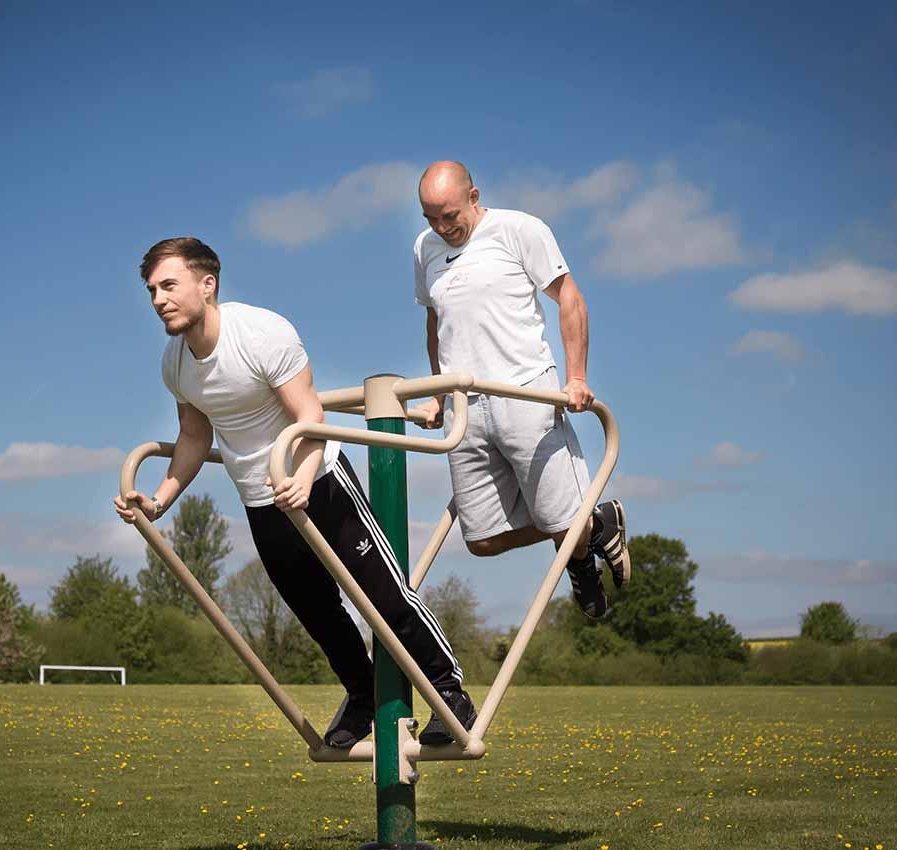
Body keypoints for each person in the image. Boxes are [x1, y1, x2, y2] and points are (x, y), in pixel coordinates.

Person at [115, 237, 475, 747]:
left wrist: (302, 479)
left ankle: (448, 689)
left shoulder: (261, 333)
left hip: (320, 479)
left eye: (168, 285)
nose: (158, 300)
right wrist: (159, 499)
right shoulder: (175, 363)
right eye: (151, 290)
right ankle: (364, 698)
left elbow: (311, 418)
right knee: (319, 614)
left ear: (207, 284)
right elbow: (196, 435)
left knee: (382, 594)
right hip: (262, 501)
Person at [410, 162, 630, 619]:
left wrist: (577, 377)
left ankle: (577, 545)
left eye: (449, 215)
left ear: (474, 197)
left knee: (560, 520)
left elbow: (569, 297)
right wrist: (437, 393)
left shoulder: (518, 230)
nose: (442, 227)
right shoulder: (425, 248)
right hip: (464, 407)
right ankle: (592, 522)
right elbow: (437, 321)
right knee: (482, 541)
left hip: (524, 392)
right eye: (431, 218)